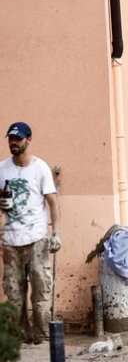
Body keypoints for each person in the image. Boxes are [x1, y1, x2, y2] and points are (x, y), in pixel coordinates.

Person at [0, 122, 61, 343]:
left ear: (28, 140)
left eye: (17, 139)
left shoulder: (40, 168)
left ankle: (42, 337)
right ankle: (21, 336)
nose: (13, 143)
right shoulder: (2, 168)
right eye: (10, 139)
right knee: (14, 294)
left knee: (40, 290)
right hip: (10, 239)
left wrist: (56, 233)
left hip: (37, 237)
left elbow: (53, 202)